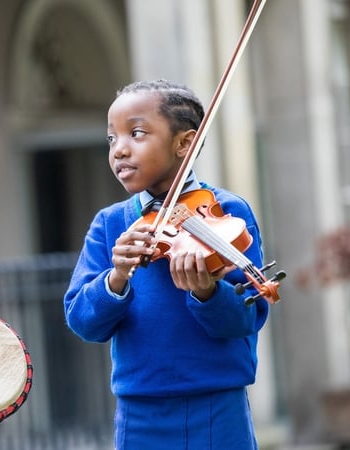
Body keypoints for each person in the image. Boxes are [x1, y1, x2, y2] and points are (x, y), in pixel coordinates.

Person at [63, 79, 270, 449]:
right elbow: (83, 322)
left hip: (217, 406)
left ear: (184, 144)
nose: (120, 150)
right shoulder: (111, 224)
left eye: (136, 133)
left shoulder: (228, 213)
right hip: (140, 411)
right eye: (112, 139)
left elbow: (245, 320)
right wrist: (116, 277)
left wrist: (208, 291)